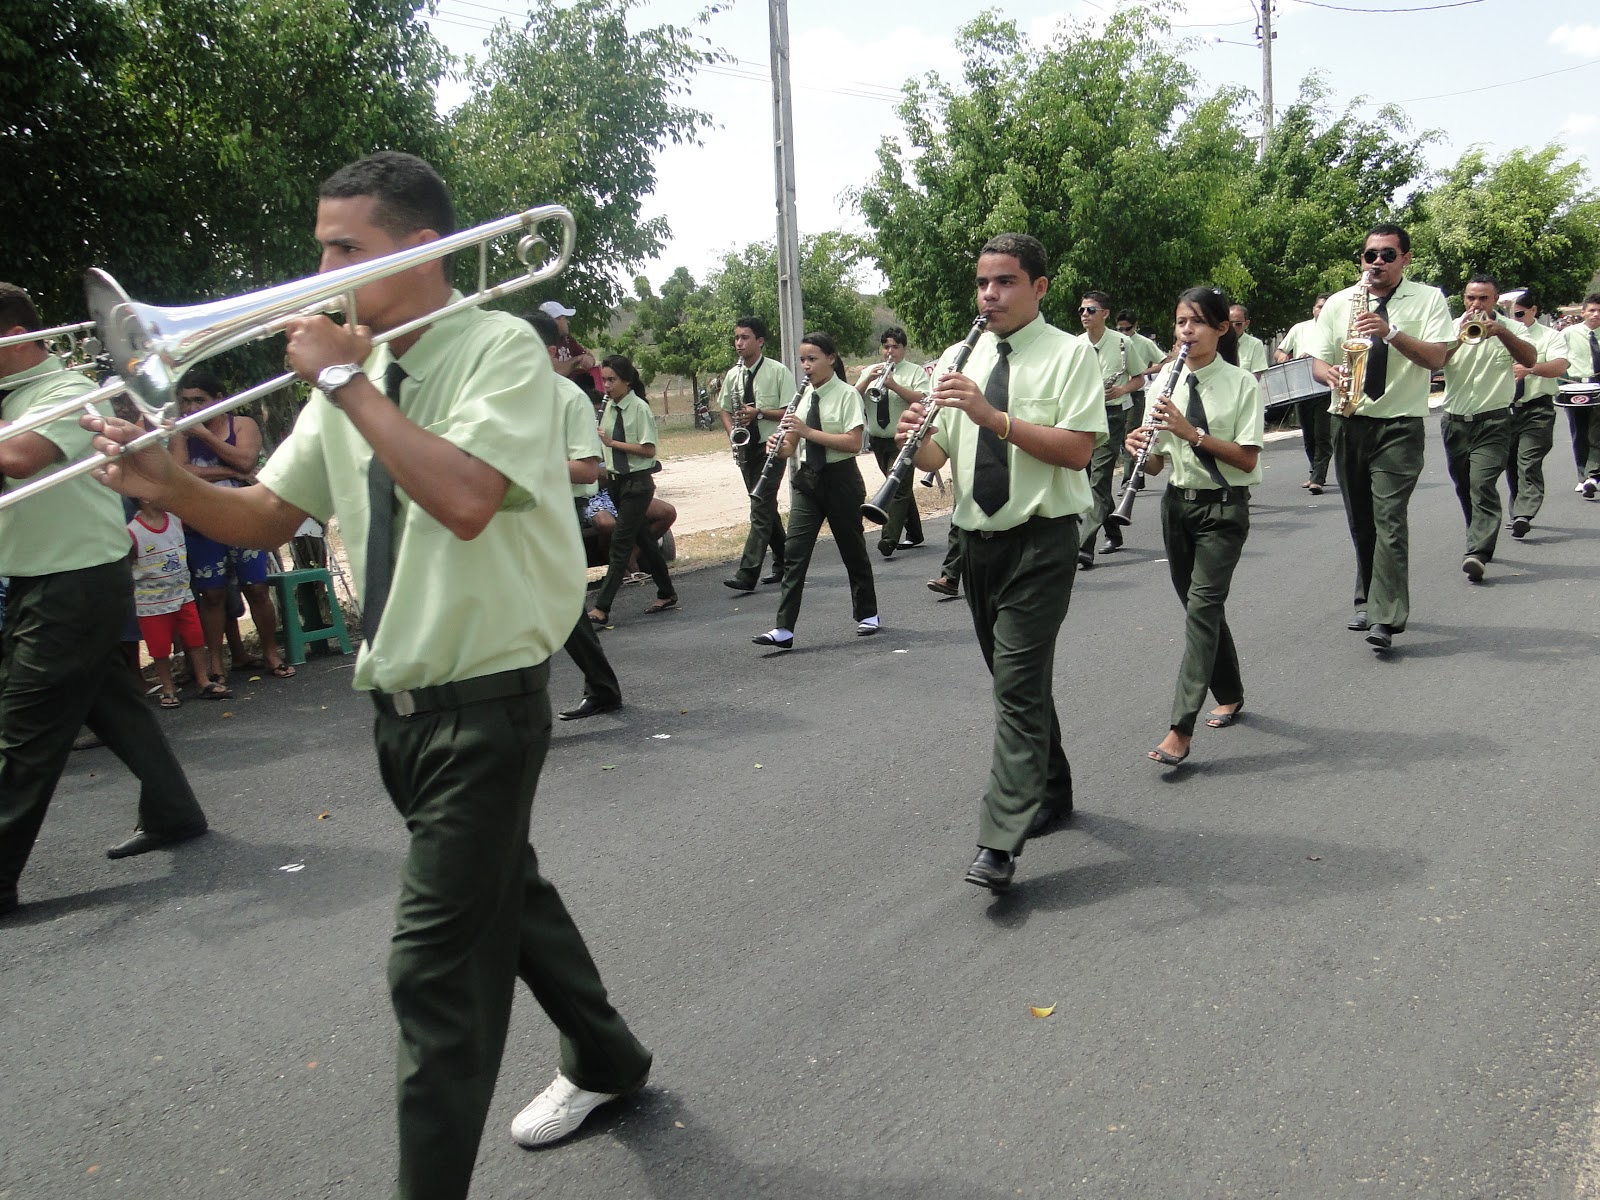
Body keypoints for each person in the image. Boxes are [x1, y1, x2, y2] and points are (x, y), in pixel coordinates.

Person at [86, 152, 652, 1196]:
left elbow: (468, 497)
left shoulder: (499, 351)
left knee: (431, 975)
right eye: (319, 249)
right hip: (395, 712)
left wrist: (346, 382)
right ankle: (609, 1058)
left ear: (418, 247)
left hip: (485, 708)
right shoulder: (360, 379)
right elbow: (268, 514)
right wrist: (164, 477)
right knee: (505, 895)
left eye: (342, 249)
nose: (319, 271)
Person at [898, 233, 1105, 893]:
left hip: (1042, 541)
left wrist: (993, 416)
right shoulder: (959, 358)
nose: (991, 295)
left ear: (1039, 288)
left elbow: (1077, 451)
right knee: (1017, 680)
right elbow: (938, 463)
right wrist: (911, 438)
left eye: (1006, 281)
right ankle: (1055, 786)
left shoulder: (1071, 354)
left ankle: (999, 841)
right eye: (984, 283)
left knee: (1015, 686)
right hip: (975, 544)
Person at [0, 281, 207, 917]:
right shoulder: (16, 396)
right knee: (113, 705)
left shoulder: (64, 390)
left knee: (24, 728)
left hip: (75, 579)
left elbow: (18, 457)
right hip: (45, 575)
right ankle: (173, 812)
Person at [1125, 288, 1263, 766]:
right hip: (1176, 507)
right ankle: (1231, 691)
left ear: (1222, 328)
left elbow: (1246, 459)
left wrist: (1192, 433)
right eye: (1181, 321)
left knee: (1202, 610)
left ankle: (1179, 729)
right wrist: (1140, 447)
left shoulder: (1243, 383)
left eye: (1199, 322)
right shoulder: (1166, 378)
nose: (1187, 331)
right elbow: (1158, 463)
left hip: (1223, 510)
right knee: (1200, 606)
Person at [1309, 224, 1453, 653]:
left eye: (1388, 255)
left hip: (1399, 425)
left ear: (1405, 259)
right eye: (1371, 255)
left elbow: (1437, 357)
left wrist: (1389, 332)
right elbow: (1318, 361)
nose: (1378, 263)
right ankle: (1366, 600)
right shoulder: (1340, 302)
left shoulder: (1429, 299)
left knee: (1389, 518)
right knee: (1362, 520)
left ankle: (1386, 617)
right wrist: (1329, 373)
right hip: (1349, 419)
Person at [752, 332, 880, 649]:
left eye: (812, 359)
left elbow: (853, 443)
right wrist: (777, 445)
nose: (806, 366)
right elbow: (792, 447)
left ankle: (868, 613)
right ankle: (784, 628)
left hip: (841, 478)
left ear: (831, 359)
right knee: (794, 554)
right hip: (809, 480)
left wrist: (808, 431)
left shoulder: (847, 394)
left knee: (852, 549)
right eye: (802, 360)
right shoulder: (803, 397)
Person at [171, 368, 292, 691]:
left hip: (245, 517)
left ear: (219, 401)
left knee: (256, 588)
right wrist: (229, 469)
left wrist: (207, 437)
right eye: (185, 402)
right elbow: (183, 472)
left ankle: (270, 653)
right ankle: (215, 662)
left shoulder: (243, 425)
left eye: (200, 400)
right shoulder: (180, 433)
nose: (191, 408)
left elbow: (247, 461)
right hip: (202, 524)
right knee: (210, 594)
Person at [528, 311, 623, 720]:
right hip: (512, 511)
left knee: (551, 608)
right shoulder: (503, 395)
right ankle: (601, 687)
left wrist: (524, 464)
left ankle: (527, 710)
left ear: (549, 352)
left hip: (555, 510)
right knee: (547, 608)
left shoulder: (568, 398)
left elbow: (587, 469)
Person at [1436, 276, 1535, 583]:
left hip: (1494, 421)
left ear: (1495, 301)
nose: (1475, 304)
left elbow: (1529, 359)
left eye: (1482, 299)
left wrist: (1502, 332)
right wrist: (1458, 337)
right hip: (1455, 421)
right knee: (1465, 487)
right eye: (1470, 298)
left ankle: (1477, 552)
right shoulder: (1450, 328)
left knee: (1482, 484)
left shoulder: (1512, 328)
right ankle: (1476, 536)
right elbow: (1434, 365)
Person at [586, 354, 677, 626]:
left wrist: (613, 443)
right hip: (616, 483)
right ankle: (667, 592)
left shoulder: (639, 408)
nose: (607, 386)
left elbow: (648, 449)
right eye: (604, 381)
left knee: (621, 544)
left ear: (627, 380)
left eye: (612, 380)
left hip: (637, 482)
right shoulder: (609, 409)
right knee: (646, 542)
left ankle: (602, 607)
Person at [1077, 291, 1159, 565]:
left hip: (1111, 415)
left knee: (1099, 480)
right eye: (1082, 310)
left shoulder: (1123, 343)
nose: (1084, 315)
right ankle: (1113, 530)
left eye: (1090, 309)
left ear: (1105, 314)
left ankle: (1083, 546)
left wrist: (1122, 389)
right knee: (1089, 482)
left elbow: (1138, 378)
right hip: (1081, 417)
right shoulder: (1074, 346)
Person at [718, 317, 794, 591]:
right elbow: (725, 409)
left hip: (772, 446)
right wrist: (732, 435)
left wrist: (759, 412)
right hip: (746, 447)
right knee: (765, 505)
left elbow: (790, 410)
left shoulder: (777, 371)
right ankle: (787, 562)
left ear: (760, 341)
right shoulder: (733, 375)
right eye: (737, 337)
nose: (739, 343)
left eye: (745, 337)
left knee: (760, 505)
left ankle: (747, 572)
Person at [855, 326, 930, 556]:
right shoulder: (870, 371)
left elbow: (924, 399)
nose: (890, 351)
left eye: (895, 347)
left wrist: (894, 385)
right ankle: (915, 533)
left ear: (903, 349)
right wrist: (868, 379)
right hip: (878, 440)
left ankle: (888, 539)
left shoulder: (914, 372)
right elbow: (851, 398)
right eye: (886, 346)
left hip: (905, 440)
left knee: (895, 488)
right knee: (898, 485)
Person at [128, 497, 209, 708]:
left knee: (195, 637)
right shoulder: (133, 532)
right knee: (159, 646)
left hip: (182, 593)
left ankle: (203, 680)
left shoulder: (175, 520)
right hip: (151, 601)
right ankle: (168, 687)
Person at [1504, 290, 1569, 537]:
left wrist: (1530, 369)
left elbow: (1559, 366)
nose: (1515, 318)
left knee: (1528, 461)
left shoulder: (1550, 336)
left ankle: (1523, 513)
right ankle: (1516, 509)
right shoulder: (1499, 334)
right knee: (1511, 463)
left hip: (1536, 408)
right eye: (1511, 314)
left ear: (1534, 311)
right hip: (1505, 408)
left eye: (1519, 313)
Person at [1275, 294, 1333, 494]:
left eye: (1326, 307)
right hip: (1302, 389)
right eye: (1319, 307)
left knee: (1322, 434)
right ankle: (1314, 470)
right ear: (1313, 309)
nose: (1321, 310)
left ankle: (1318, 477)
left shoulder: (1334, 329)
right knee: (1308, 435)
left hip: (1325, 387)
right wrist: (1285, 358)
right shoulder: (1300, 328)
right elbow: (1280, 351)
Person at [1560, 292, 1600, 498]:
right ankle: (1583, 476)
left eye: (1599, 311)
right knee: (1579, 432)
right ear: (1583, 312)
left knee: (1597, 431)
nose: (1596, 314)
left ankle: (1593, 475)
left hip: (1599, 386)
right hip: (1575, 387)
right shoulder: (1568, 333)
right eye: (1591, 310)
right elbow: (1559, 358)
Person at [538, 299, 600, 392]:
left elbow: (588, 358)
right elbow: (557, 371)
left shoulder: (567, 339)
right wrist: (578, 359)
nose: (568, 322)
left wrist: (587, 360)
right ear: (555, 320)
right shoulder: (543, 342)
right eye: (564, 318)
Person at [1228, 305, 1269, 377]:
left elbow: (1256, 375)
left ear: (1246, 324)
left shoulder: (1255, 344)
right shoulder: (1216, 342)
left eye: (1238, 324)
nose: (1233, 327)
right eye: (1230, 323)